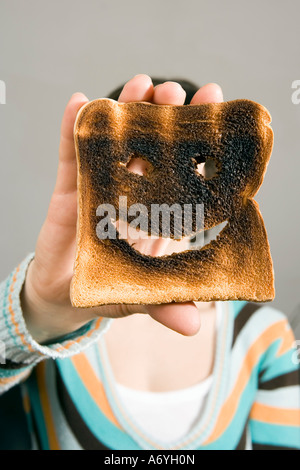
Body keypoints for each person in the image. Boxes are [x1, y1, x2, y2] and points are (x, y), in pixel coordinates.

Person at [0, 75, 299, 450]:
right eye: (130, 162)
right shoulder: (49, 343)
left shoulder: (264, 336)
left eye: (196, 163)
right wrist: (35, 315)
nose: (162, 191)